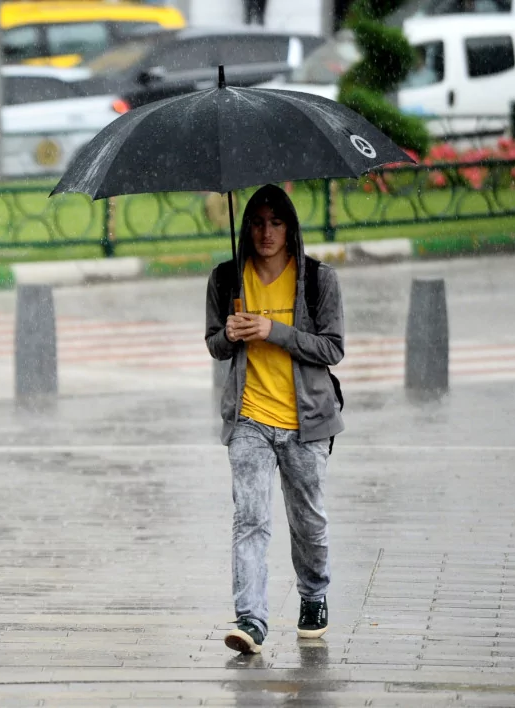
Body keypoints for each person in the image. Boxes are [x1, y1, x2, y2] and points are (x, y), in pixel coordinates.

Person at [205, 184, 345, 655]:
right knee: (250, 519)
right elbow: (214, 345)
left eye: (276, 223)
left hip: (307, 421)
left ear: (290, 229)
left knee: (309, 521)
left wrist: (274, 330)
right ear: (246, 227)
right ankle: (252, 618)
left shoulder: (318, 279)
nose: (266, 233)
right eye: (258, 223)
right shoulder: (227, 279)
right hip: (250, 418)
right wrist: (228, 333)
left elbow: (333, 348)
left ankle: (314, 593)